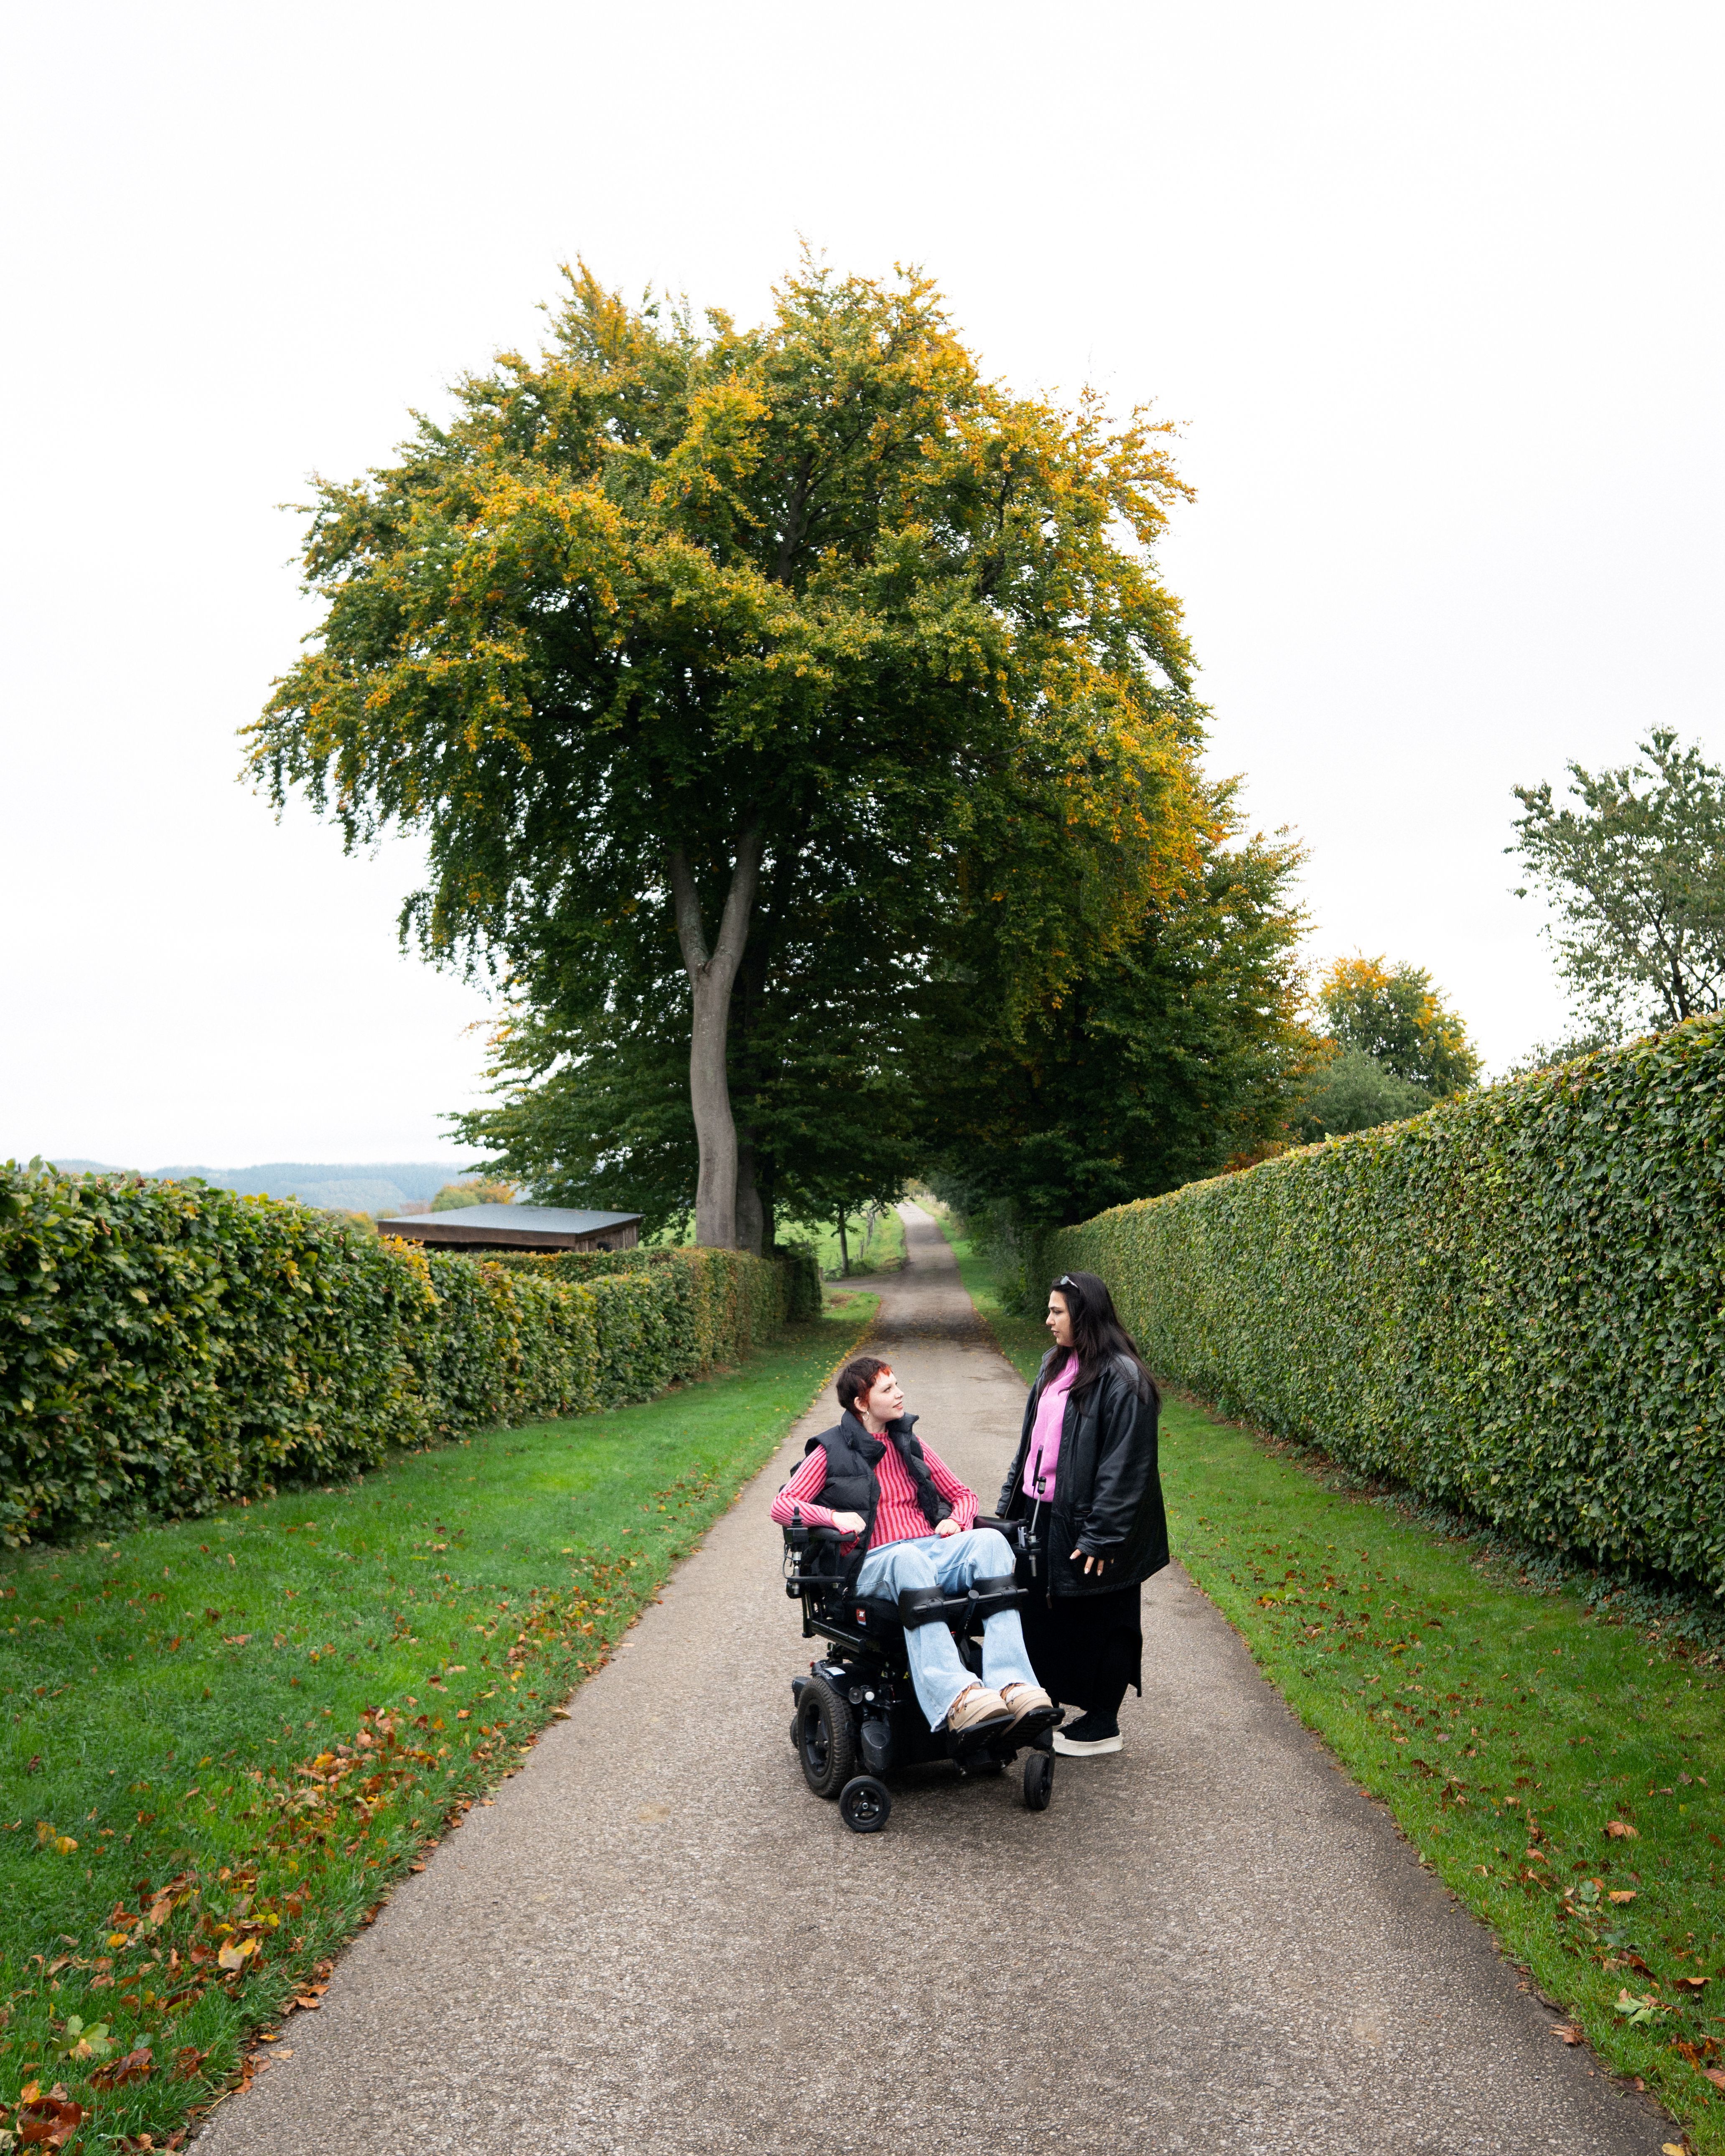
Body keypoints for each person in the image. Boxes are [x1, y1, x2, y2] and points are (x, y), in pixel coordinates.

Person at [772, 1354, 1053, 1739]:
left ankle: (1013, 1686)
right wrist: (833, 1518)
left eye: (897, 1385)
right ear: (861, 1403)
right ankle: (958, 1697)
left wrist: (957, 1519)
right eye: (888, 1389)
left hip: (926, 1550)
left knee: (989, 1541)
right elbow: (783, 1505)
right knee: (906, 1557)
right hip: (869, 1564)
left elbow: (962, 1494)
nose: (901, 1394)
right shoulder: (830, 1451)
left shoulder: (909, 1442)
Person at [995, 1271, 1168, 1758]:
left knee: (1103, 1617)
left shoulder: (1123, 1377)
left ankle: (1103, 1724)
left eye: (1057, 1311)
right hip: (1042, 1514)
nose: (1047, 1320)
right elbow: (1031, 1444)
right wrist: (1010, 1506)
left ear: (1084, 1315)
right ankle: (1042, 1706)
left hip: (1093, 1526)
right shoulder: (1055, 1362)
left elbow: (1127, 1466)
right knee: (1043, 1613)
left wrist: (1102, 1538)